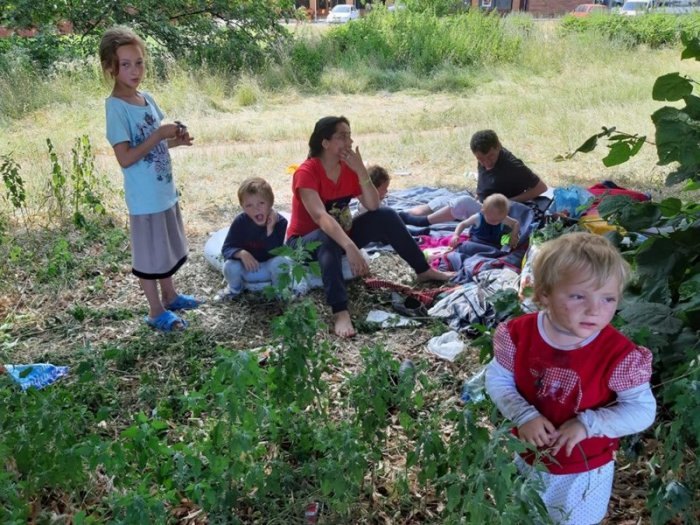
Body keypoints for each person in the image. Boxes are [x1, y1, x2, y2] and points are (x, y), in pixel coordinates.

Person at [485, 232, 655, 524]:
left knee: (575, 519)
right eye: (578, 296)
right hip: (528, 453)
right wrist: (523, 415)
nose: (594, 309)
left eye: (608, 298)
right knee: (527, 513)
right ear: (544, 293)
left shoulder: (618, 355)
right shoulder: (518, 335)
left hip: (585, 466)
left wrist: (589, 424)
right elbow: (499, 379)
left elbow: (642, 410)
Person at [287, 116, 453, 338]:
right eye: (342, 136)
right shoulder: (306, 173)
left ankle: (423, 270)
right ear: (324, 143)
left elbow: (373, 204)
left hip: (340, 237)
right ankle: (339, 311)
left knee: (385, 215)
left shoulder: (348, 170)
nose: (349, 141)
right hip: (304, 243)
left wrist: (361, 171)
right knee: (325, 237)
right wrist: (350, 246)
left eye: (350, 135)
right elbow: (320, 217)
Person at [100, 27, 203, 332]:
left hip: (163, 192)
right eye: (126, 64)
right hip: (144, 199)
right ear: (111, 68)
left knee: (165, 249)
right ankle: (155, 310)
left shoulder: (146, 98)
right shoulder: (115, 108)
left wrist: (175, 141)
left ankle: (170, 295)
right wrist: (159, 133)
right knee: (149, 257)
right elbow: (126, 157)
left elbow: (154, 144)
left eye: (140, 62)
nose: (135, 71)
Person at [400, 129, 547, 227]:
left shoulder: (512, 165)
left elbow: (541, 187)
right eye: (481, 159)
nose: (486, 162)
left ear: (499, 146)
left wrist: (510, 202)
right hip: (481, 203)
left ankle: (423, 222)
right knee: (439, 201)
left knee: (462, 202)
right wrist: (479, 193)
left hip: (495, 214)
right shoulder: (483, 157)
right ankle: (398, 217)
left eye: (491, 156)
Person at [215, 177, 292, 300]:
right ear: (243, 207)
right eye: (249, 205)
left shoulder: (280, 222)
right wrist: (241, 253)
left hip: (269, 265)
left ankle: (279, 290)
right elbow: (226, 248)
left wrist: (270, 228)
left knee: (281, 263)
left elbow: (274, 251)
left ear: (270, 203)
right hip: (247, 268)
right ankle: (235, 288)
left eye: (261, 203)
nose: (256, 209)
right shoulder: (240, 222)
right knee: (229, 266)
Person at [449, 193, 520, 250]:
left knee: (502, 253)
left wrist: (513, 237)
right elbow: (463, 224)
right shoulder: (478, 218)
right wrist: (456, 235)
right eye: (492, 220)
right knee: (463, 247)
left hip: (493, 246)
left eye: (499, 220)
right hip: (475, 243)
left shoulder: (502, 218)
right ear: (483, 212)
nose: (495, 222)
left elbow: (515, 223)